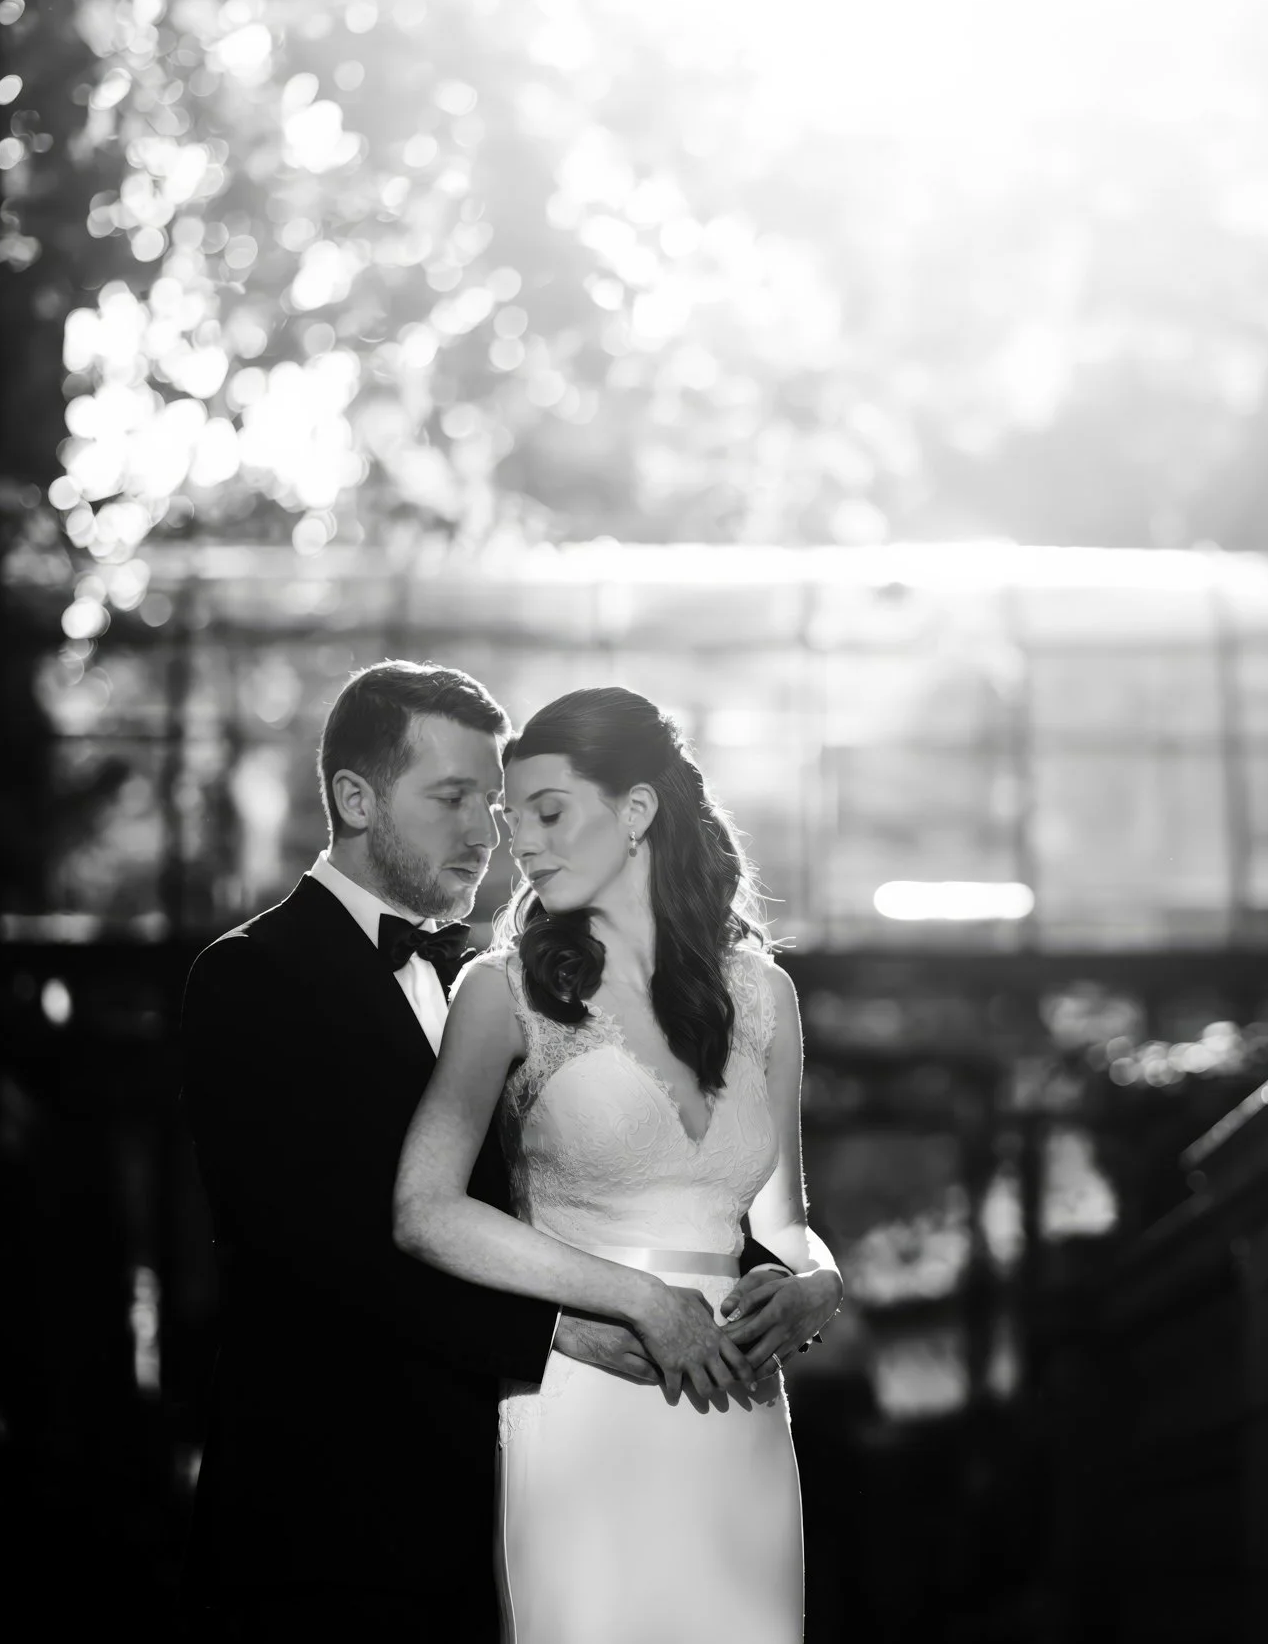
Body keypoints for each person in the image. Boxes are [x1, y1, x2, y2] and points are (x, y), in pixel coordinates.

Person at [178, 662, 784, 1642]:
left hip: (494, 1505)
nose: (485, 831)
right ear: (354, 797)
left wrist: (756, 1276)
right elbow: (316, 1244)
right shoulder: (250, 976)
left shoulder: (495, 986)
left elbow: (590, 1179)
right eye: (452, 797)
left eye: (492, 804)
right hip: (317, 1524)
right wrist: (564, 1327)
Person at [394, 685, 843, 1643]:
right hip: (588, 1396)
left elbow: (781, 1221)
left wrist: (818, 1286)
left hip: (741, 1408)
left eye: (549, 812)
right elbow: (424, 1209)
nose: (524, 843)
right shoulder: (499, 989)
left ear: (637, 811)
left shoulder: (766, 994)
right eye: (518, 822)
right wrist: (638, 1299)